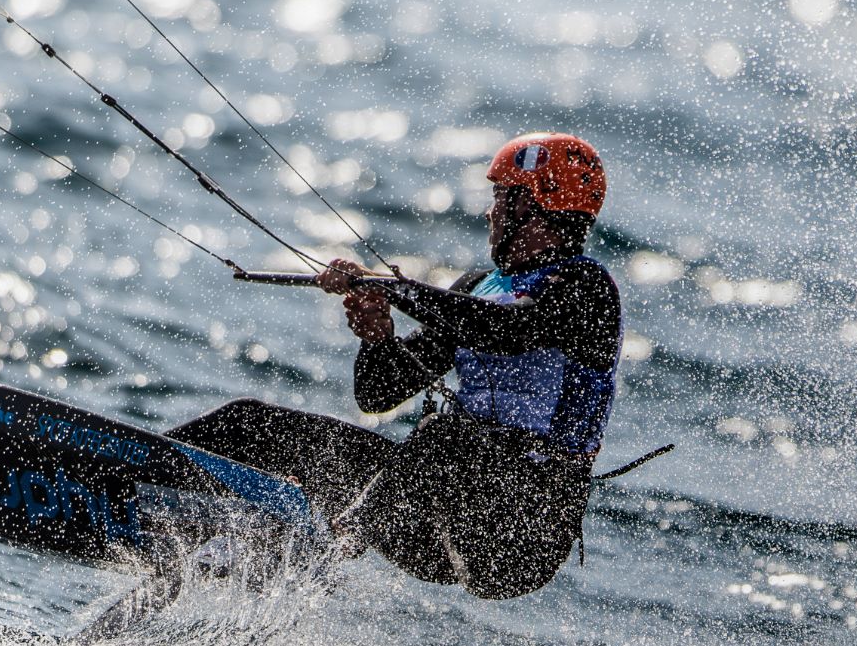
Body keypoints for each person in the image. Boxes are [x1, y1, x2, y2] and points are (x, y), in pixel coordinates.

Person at [164, 132, 623, 600]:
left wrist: (390, 287)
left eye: (500, 197)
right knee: (249, 423)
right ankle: (134, 481)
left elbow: (503, 330)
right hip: (432, 518)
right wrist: (378, 338)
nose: (490, 213)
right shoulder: (478, 286)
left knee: (446, 435)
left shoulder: (586, 287)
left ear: (532, 203)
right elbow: (378, 395)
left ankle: (316, 545)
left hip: (521, 532)